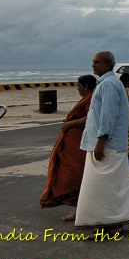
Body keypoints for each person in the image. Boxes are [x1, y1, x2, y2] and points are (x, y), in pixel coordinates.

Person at [74, 51, 129, 235]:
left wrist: (101, 141)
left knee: (101, 187)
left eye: (96, 62)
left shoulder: (108, 84)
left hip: (107, 146)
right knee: (110, 186)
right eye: (93, 61)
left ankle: (111, 223)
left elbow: (108, 116)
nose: (93, 65)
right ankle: (111, 223)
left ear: (107, 64)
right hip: (108, 144)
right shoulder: (108, 83)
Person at [40, 74, 97, 221]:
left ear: (85, 86)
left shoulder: (91, 99)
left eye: (79, 85)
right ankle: (81, 210)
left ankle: (83, 210)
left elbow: (91, 118)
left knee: (76, 177)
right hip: (73, 145)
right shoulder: (87, 98)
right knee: (71, 176)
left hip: (79, 147)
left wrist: (70, 124)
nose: (77, 88)